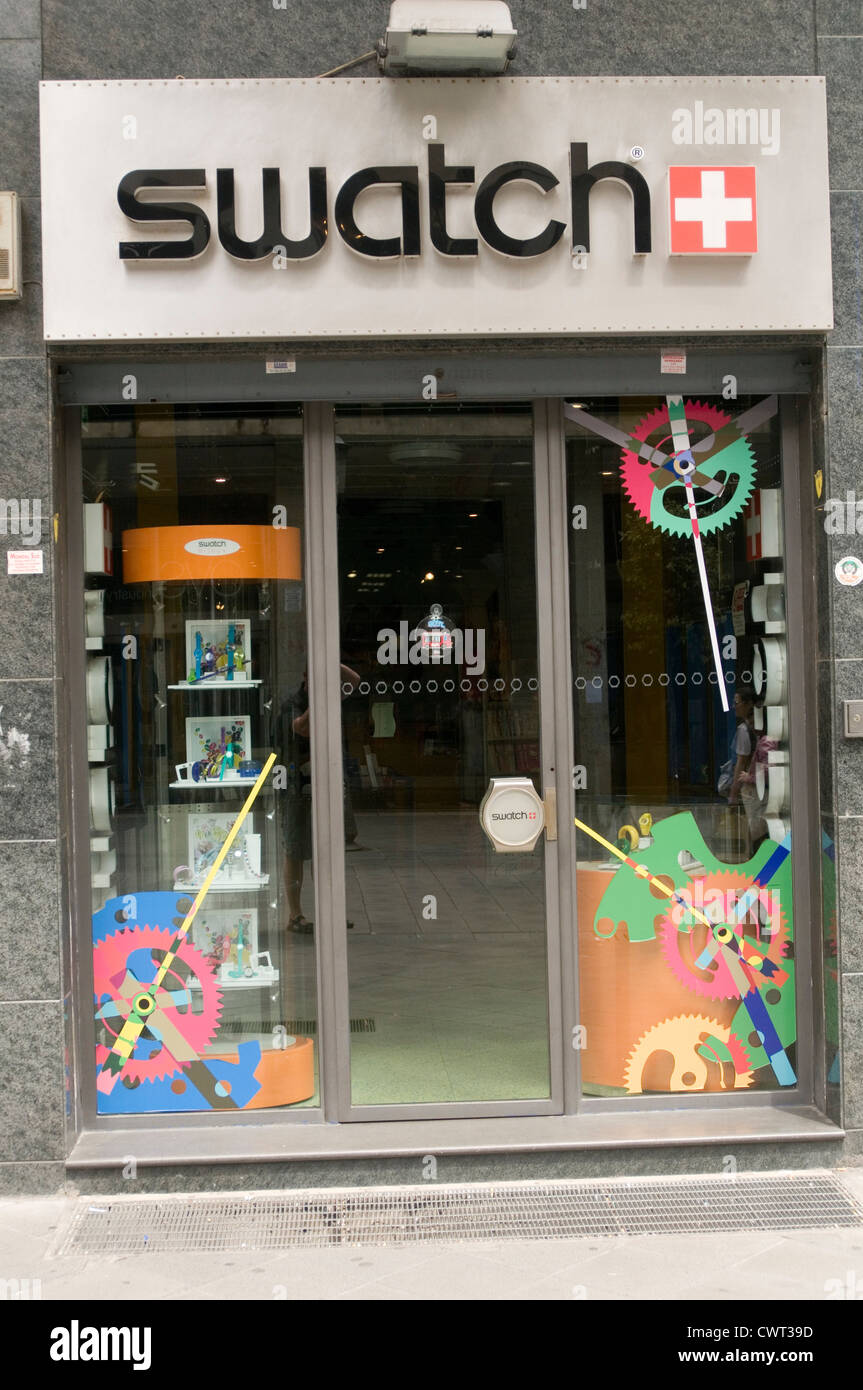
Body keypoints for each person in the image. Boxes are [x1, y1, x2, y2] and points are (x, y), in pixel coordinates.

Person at [280, 663, 360, 933]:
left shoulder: (330, 694)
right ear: (305, 678)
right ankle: (295, 915)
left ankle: (329, 912)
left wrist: (330, 661)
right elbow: (301, 728)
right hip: (297, 784)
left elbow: (355, 679)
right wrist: (321, 699)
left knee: (326, 849)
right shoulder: (293, 703)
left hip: (325, 781)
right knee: (295, 849)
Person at [728, 683, 768, 852]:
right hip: (757, 785)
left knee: (754, 827)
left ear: (748, 703)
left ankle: (755, 857)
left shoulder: (744, 730)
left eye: (737, 702)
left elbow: (741, 762)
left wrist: (733, 793)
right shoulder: (755, 729)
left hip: (752, 787)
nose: (734, 706)